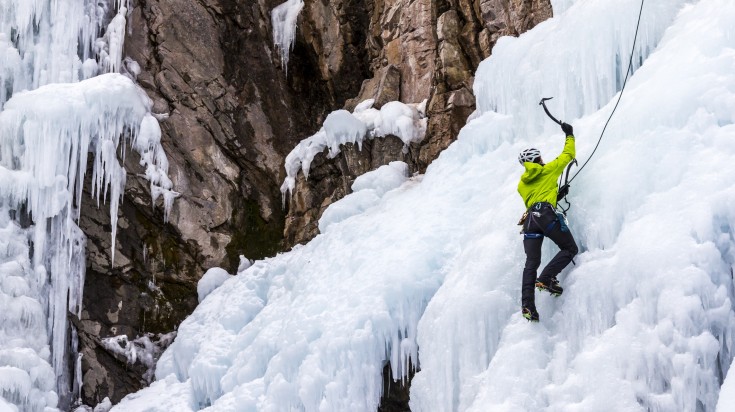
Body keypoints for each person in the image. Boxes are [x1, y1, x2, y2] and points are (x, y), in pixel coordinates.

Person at [517, 122, 579, 322]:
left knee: (531, 263)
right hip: (545, 215)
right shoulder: (548, 170)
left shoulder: (521, 184)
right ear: (538, 159)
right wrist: (569, 134)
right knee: (569, 249)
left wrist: (556, 195)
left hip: (529, 222)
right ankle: (546, 278)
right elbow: (567, 155)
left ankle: (528, 306)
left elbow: (536, 197)